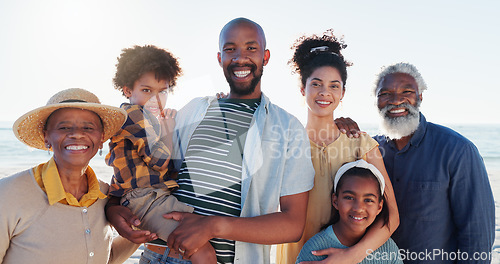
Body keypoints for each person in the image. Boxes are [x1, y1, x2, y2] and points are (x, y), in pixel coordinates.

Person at [106, 17, 315, 264]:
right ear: (220, 59)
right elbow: (139, 167)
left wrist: (213, 226)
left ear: (265, 57)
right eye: (230, 49)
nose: (240, 58)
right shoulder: (193, 110)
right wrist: (112, 208)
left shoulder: (287, 127)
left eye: (251, 48)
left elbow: (292, 226)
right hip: (158, 256)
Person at [337, 62, 495, 263]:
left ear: (420, 97)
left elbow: (477, 235)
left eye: (407, 91)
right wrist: (336, 129)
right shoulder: (367, 150)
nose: (396, 100)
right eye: (385, 93)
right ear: (376, 101)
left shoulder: (458, 150)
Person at [276, 30, 399, 264]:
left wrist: (350, 256)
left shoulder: (361, 144)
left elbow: (392, 217)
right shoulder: (286, 144)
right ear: (303, 89)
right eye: (316, 84)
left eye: (334, 86)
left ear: (342, 93)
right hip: (293, 256)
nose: (325, 92)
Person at [105, 45, 216, 263]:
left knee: (202, 233)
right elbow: (160, 161)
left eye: (162, 91)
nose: (156, 99)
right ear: (128, 90)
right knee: (202, 249)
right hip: (145, 199)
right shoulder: (134, 115)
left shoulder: (146, 118)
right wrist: (169, 130)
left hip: (149, 198)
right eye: (147, 91)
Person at [0, 88, 137, 263]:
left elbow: (103, 258)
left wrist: (140, 232)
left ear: (101, 138)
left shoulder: (107, 195)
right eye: (64, 127)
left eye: (88, 127)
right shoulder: (7, 194)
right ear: (46, 137)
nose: (77, 133)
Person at [296, 160, 402, 264]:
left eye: (368, 200)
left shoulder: (388, 249)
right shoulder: (316, 250)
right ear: (335, 201)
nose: (358, 208)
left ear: (379, 207)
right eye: (349, 197)